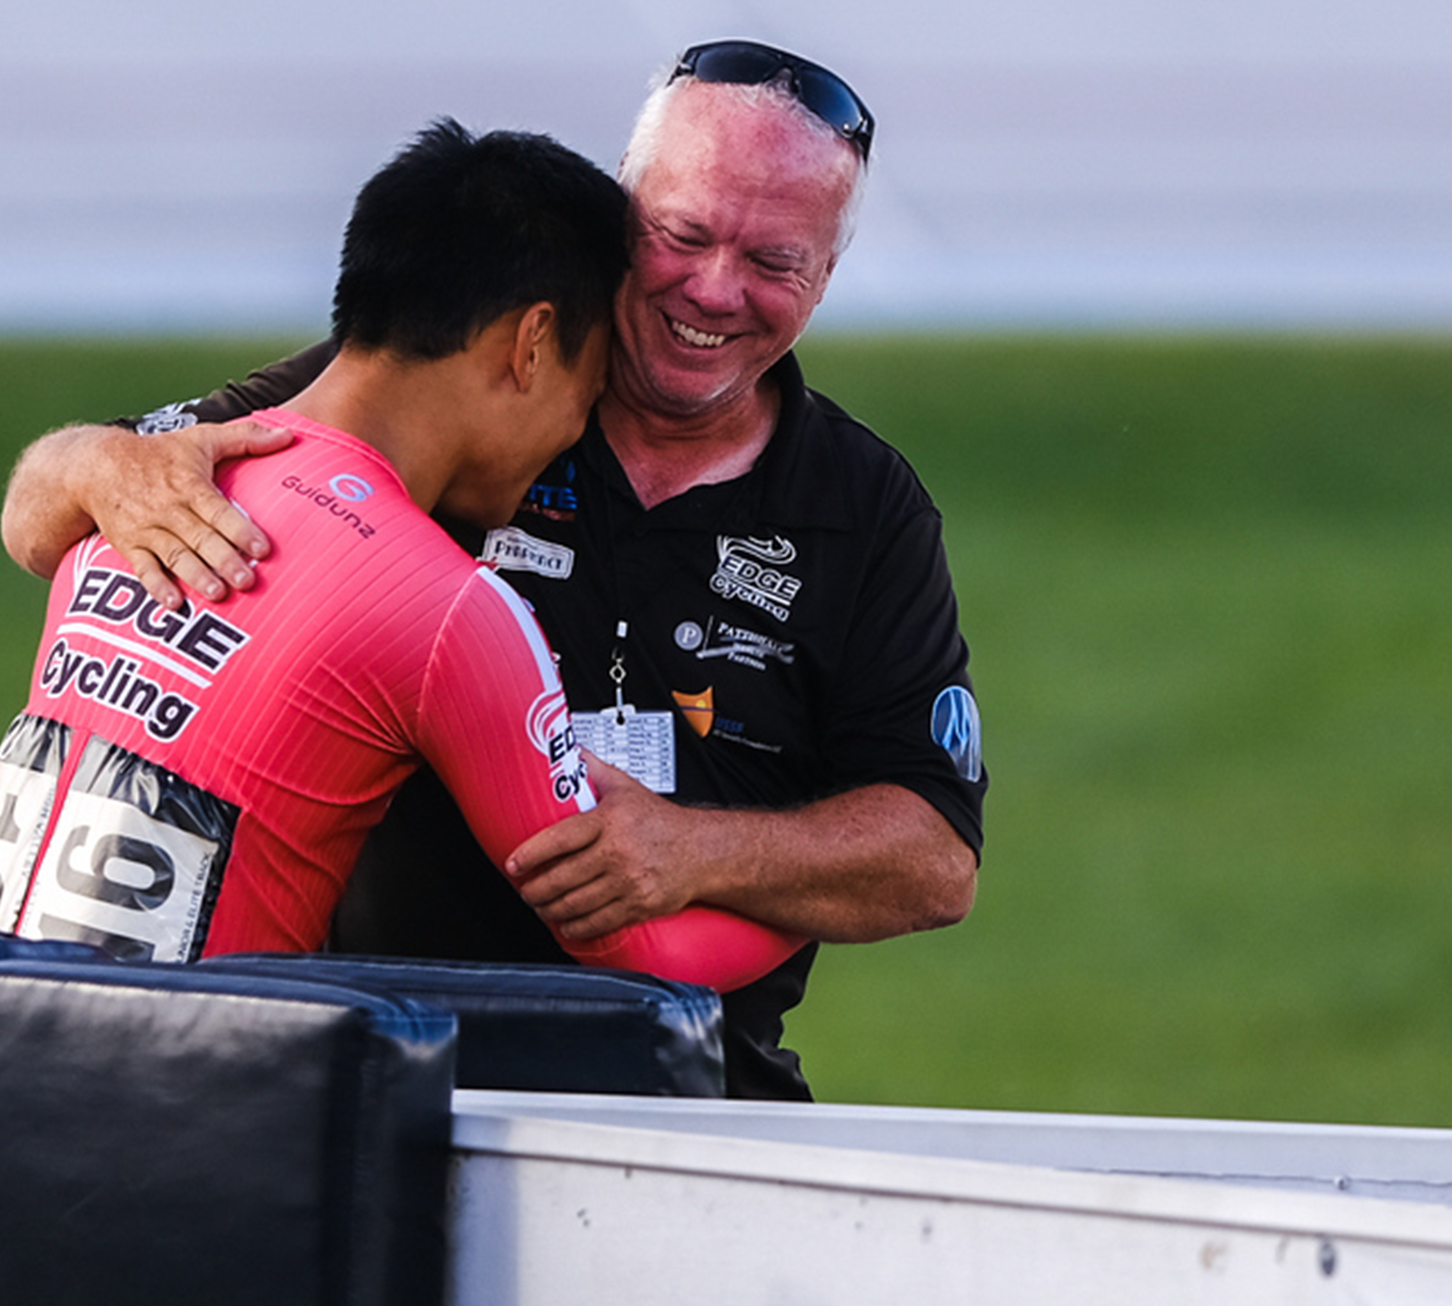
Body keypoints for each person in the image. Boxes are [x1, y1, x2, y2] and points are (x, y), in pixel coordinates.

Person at [1, 42, 985, 1099]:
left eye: (774, 262)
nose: (713, 290)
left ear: (827, 275)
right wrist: (100, 461)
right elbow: (52, 508)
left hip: (684, 1102)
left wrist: (697, 851)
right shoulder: (454, 390)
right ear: (622, 210)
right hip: (374, 1084)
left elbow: (935, 859)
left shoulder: (863, 509)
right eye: (683, 234)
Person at [0, 118, 800, 991]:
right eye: (593, 383)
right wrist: (803, 893)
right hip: (176, 1106)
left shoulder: (132, 498)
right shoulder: (449, 609)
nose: (580, 430)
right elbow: (645, 952)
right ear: (530, 346)